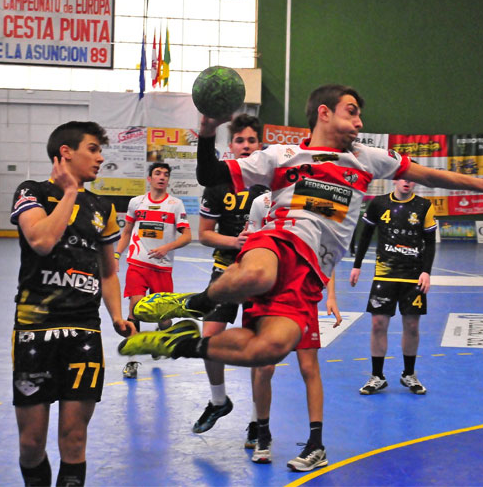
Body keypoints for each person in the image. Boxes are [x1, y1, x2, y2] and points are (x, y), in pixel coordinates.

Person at [118, 84, 483, 469]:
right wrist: (208, 131)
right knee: (259, 274)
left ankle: (183, 343)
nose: (359, 122)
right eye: (352, 113)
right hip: (280, 238)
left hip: (312, 272)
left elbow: (429, 175)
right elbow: (211, 176)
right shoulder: (280, 157)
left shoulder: (367, 159)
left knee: (270, 349)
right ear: (324, 113)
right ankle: (192, 304)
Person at [10, 121, 135, 486]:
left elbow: (108, 273)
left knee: (75, 439)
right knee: (31, 443)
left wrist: (116, 317)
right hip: (34, 332)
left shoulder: (102, 207)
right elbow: (42, 241)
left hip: (83, 331)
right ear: (66, 152)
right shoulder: (31, 191)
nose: (100, 158)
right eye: (93, 149)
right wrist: (68, 195)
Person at [244, 190, 341, 468]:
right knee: (264, 368)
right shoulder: (259, 204)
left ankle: (316, 445)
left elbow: (327, 253)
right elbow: (250, 247)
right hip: (267, 297)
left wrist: (331, 296)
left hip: (302, 294)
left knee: (309, 368)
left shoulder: (318, 201)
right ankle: (262, 434)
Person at [192, 114, 269, 439]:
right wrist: (234, 241)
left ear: (260, 145)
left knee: (260, 350)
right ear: (231, 145)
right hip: (226, 270)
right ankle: (218, 400)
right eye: (240, 141)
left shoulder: (272, 185)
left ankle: (256, 422)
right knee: (208, 341)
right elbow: (205, 234)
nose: (246, 146)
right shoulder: (218, 183)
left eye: (252, 141)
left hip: (262, 274)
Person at [349, 179, 437, 395]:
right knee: (378, 323)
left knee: (412, 326)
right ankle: (377, 376)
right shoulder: (379, 204)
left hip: (413, 276)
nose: (407, 182)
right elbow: (366, 234)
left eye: (412, 178)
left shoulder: (424, 206)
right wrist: (357, 265)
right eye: (404, 177)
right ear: (395, 179)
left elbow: (430, 242)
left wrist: (426, 271)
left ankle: (409, 374)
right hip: (385, 274)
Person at [115, 162, 192, 378]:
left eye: (166, 174)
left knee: (164, 319)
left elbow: (187, 236)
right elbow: (127, 231)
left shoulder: (175, 204)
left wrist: (166, 248)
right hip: (137, 263)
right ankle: (132, 361)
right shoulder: (136, 203)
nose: (162, 177)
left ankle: (159, 337)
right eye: (157, 173)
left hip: (162, 268)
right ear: (149, 178)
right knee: (135, 309)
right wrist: (116, 255)